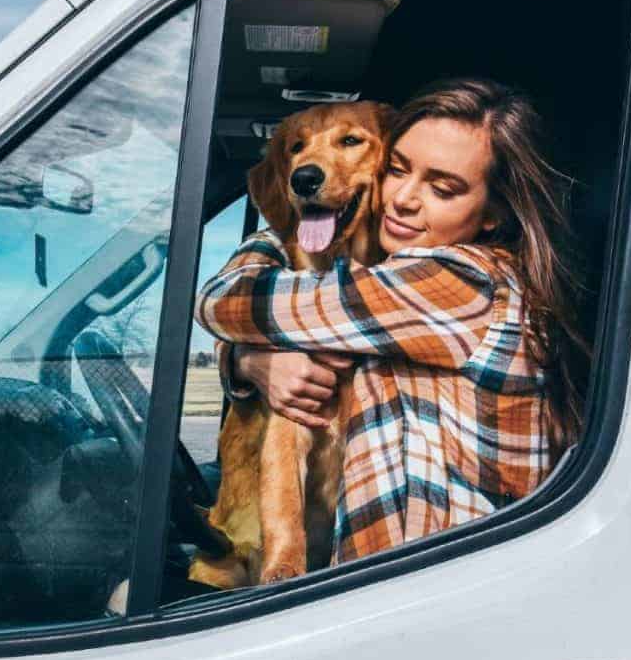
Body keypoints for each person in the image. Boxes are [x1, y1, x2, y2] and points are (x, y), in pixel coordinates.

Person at [194, 77, 588, 563]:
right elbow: (295, 326)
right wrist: (248, 364)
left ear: (494, 214)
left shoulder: (462, 283)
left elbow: (227, 302)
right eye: (398, 171)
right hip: (383, 582)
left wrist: (282, 231)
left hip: (445, 586)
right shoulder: (383, 299)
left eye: (443, 188)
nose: (404, 199)